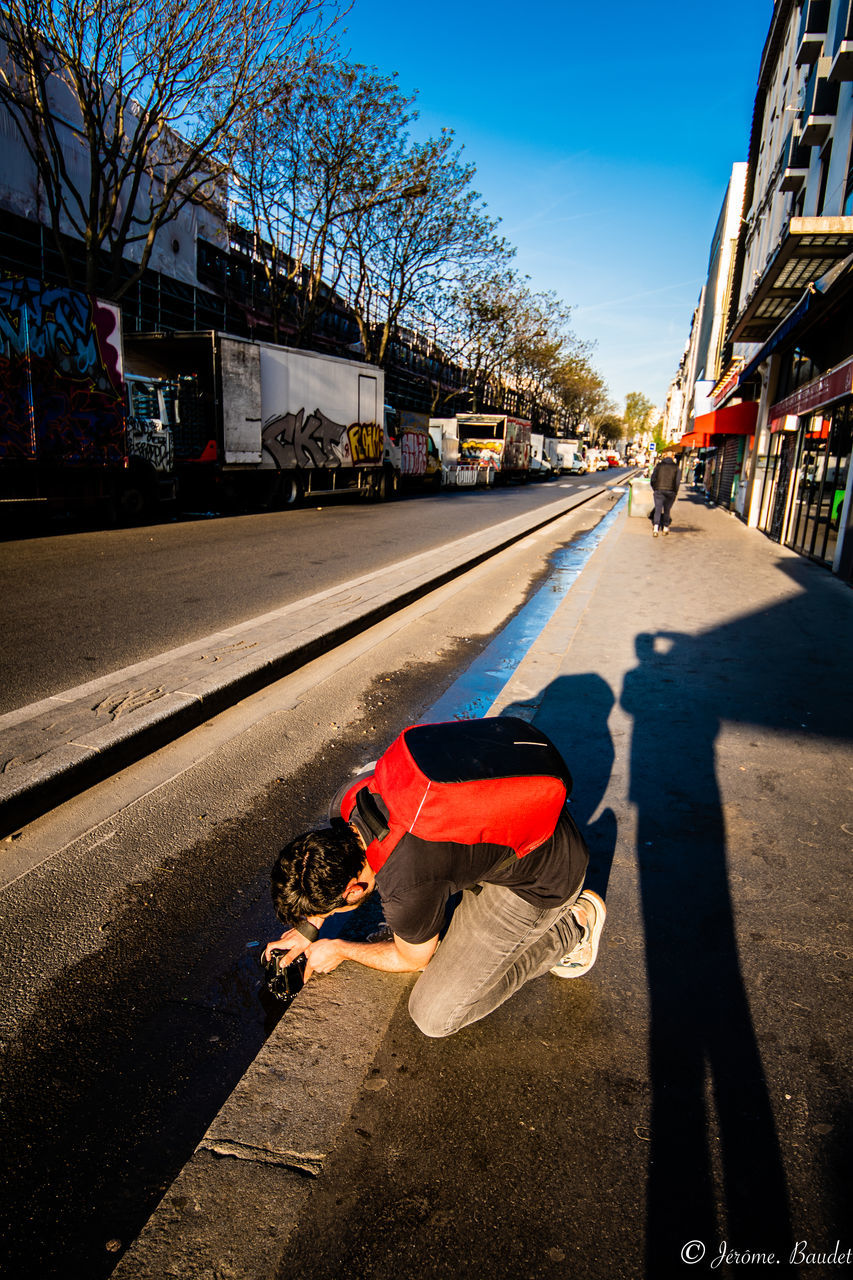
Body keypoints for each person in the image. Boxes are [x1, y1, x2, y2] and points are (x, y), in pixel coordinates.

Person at [263, 724, 606, 1039]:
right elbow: (327, 870)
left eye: (334, 908)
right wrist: (309, 925)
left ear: (352, 890)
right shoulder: (349, 801)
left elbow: (411, 959)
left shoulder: (406, 886)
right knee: (429, 893)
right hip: (513, 829)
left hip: (543, 878)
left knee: (435, 1015)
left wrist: (339, 949)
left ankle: (572, 927)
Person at [649, 450, 680, 536]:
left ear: (664, 456)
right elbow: (677, 481)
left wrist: (655, 488)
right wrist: (675, 491)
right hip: (671, 491)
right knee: (667, 510)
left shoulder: (658, 466)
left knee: (658, 509)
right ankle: (665, 527)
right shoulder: (676, 467)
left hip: (659, 490)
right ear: (673, 457)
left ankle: (655, 528)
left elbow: (653, 478)